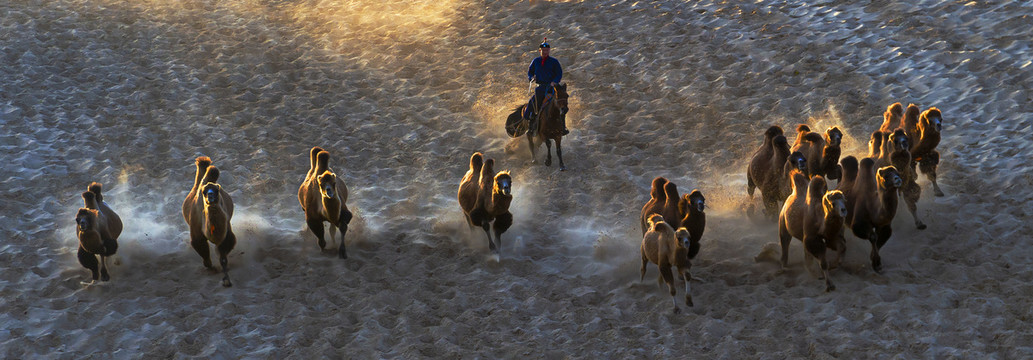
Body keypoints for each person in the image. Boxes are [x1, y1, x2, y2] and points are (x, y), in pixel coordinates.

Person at [524, 38, 568, 135]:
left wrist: (554, 81)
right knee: (533, 104)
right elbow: (530, 72)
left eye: (547, 50)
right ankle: (531, 127)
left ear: (549, 50)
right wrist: (531, 78)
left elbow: (559, 73)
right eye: (543, 50)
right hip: (540, 88)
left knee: (561, 105)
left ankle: (563, 127)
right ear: (540, 51)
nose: (545, 52)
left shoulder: (554, 62)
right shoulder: (535, 61)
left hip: (551, 89)